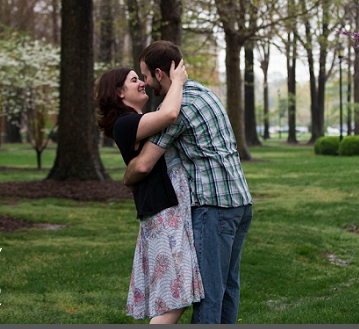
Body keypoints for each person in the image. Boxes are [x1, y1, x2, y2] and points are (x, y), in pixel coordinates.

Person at [123, 40, 253, 325]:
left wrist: (127, 177)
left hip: (214, 207)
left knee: (209, 293)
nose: (144, 82)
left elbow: (144, 164)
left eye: (145, 75)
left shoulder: (178, 107)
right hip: (241, 203)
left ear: (159, 73)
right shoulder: (205, 93)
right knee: (229, 288)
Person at [95, 59, 204, 324]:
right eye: (134, 80)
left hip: (167, 211)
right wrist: (177, 81)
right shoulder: (125, 123)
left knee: (177, 294)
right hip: (163, 212)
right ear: (119, 93)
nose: (143, 82)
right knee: (175, 299)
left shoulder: (137, 120)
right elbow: (169, 115)